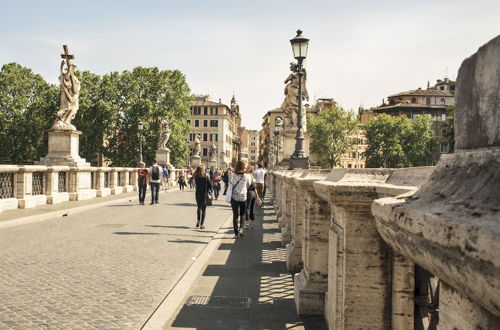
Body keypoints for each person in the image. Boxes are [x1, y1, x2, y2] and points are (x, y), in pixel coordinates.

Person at [230, 161, 251, 238]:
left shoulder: (233, 175)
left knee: (235, 215)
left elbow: (230, 184)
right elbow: (248, 185)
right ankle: (241, 229)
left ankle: (236, 234)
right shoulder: (246, 176)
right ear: (243, 167)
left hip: (234, 197)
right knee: (242, 214)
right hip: (243, 197)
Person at [194, 165, 212, 229]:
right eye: (204, 170)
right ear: (202, 170)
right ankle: (201, 224)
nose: (204, 171)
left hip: (198, 194)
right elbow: (210, 185)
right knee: (204, 209)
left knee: (199, 207)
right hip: (204, 194)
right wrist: (211, 190)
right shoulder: (206, 177)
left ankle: (198, 220)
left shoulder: (196, 177)